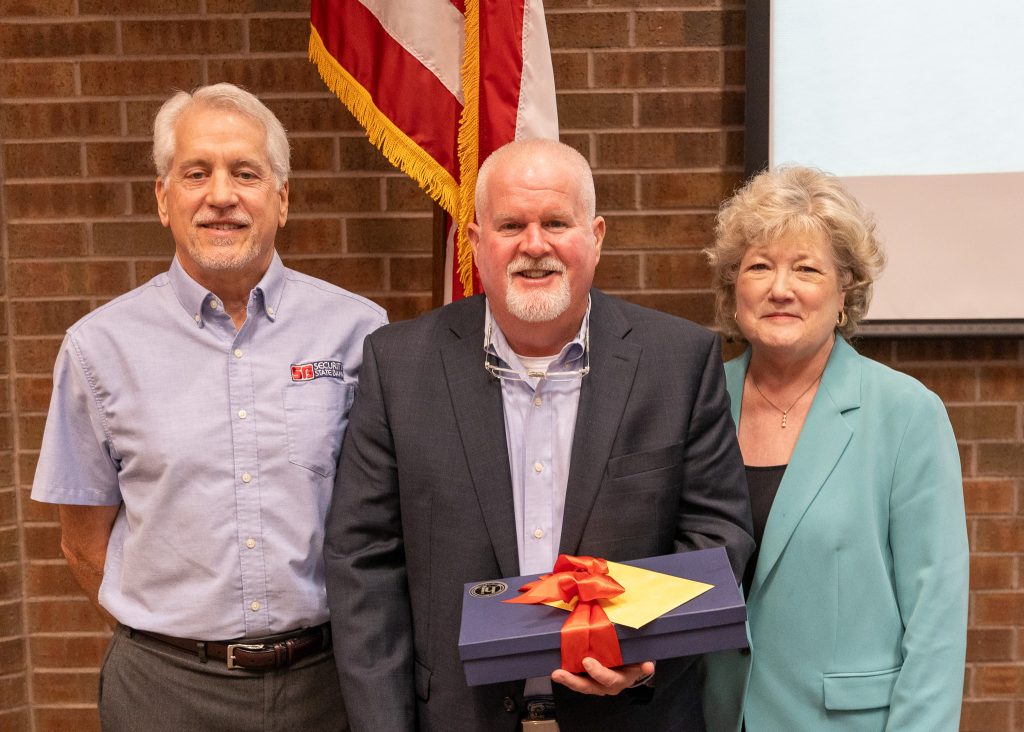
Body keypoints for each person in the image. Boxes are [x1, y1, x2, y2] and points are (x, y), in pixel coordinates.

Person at [323, 138, 754, 731]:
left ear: (596, 237)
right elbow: (363, 562)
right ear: (476, 243)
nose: (534, 245)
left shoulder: (678, 361)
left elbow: (717, 533)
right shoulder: (399, 366)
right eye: (510, 225)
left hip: (631, 717)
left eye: (556, 222)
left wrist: (642, 648)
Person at [31, 83, 386, 732]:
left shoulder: (360, 333)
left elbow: (388, 516)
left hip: (330, 686)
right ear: (164, 199)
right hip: (164, 694)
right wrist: (177, 643)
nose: (221, 195)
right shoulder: (98, 348)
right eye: (196, 173)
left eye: (245, 173)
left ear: (282, 198)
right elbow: (82, 543)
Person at [701, 166, 969, 731]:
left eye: (806, 268)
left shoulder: (906, 414)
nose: (781, 288)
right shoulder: (697, 403)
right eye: (759, 266)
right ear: (734, 286)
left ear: (844, 289)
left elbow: (935, 620)